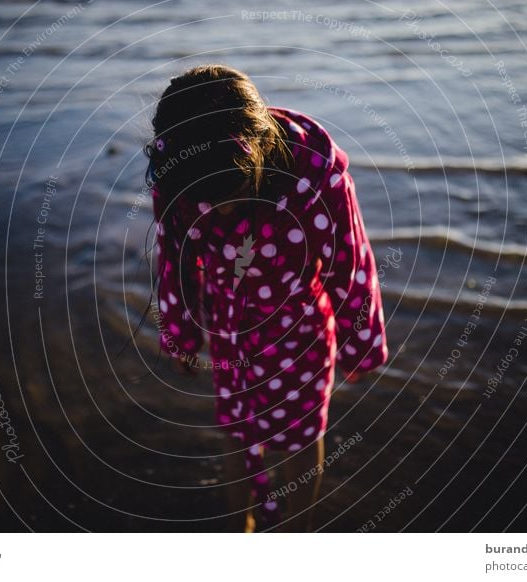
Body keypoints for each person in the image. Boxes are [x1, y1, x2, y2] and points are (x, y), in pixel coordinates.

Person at [146, 64, 388, 532]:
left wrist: (361, 344)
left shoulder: (314, 173)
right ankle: (245, 529)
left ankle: (296, 535)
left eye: (230, 194)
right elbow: (174, 256)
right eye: (207, 200)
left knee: (299, 439)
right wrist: (180, 333)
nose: (221, 209)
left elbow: (350, 262)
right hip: (227, 326)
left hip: (299, 329)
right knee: (236, 435)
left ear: (255, 156)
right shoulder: (178, 171)